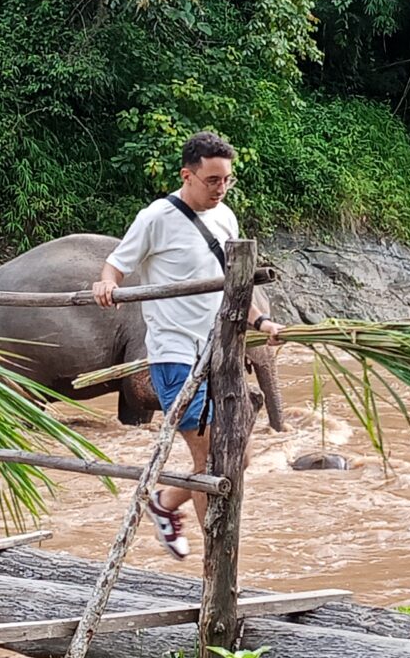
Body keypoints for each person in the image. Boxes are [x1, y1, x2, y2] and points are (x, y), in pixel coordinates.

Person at [93, 131, 284, 559]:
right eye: (212, 180)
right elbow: (116, 265)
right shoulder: (156, 218)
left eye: (227, 180)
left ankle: (164, 502)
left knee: (241, 453)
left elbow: (235, 283)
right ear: (188, 175)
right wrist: (106, 284)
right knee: (213, 459)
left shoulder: (227, 219)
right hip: (175, 355)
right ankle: (218, 565)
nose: (220, 189)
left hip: (219, 354)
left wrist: (262, 320)